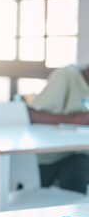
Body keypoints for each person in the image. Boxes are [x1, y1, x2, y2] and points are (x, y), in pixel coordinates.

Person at [27, 63, 89, 193]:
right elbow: (30, 114)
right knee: (28, 195)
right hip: (49, 155)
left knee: (77, 167)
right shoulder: (67, 76)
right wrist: (74, 120)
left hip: (81, 154)